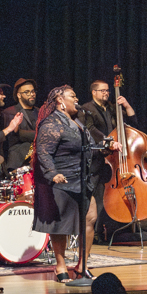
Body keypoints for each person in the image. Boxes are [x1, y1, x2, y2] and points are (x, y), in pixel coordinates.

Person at [32, 85, 119, 282]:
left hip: (82, 179)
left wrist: (106, 147)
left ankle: (82, 265)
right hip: (62, 179)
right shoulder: (51, 123)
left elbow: (86, 148)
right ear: (61, 101)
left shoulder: (76, 122)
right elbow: (43, 151)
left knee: (90, 218)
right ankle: (60, 266)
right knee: (61, 225)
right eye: (73, 96)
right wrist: (52, 173)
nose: (77, 98)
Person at [80, 79, 137, 238]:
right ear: (94, 92)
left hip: (113, 160)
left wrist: (126, 105)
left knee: (107, 196)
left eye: (107, 90)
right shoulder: (86, 109)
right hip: (97, 157)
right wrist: (109, 142)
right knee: (94, 196)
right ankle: (91, 232)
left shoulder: (113, 108)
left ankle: (106, 230)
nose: (106, 93)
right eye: (103, 90)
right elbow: (90, 130)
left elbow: (132, 122)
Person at [2, 77, 39, 170]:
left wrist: (21, 132)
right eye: (27, 92)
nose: (32, 94)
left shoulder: (40, 112)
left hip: (38, 161)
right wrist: (38, 134)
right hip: (19, 161)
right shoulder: (10, 112)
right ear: (19, 95)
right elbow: (14, 137)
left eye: (33, 91)